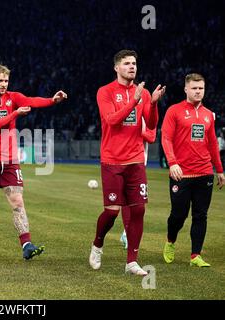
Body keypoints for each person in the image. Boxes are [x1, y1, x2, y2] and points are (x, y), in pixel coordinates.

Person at [0, 64, 67, 260]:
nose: (4, 84)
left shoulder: (12, 97)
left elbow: (32, 101)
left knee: (17, 201)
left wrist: (53, 100)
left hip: (10, 158)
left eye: (6, 80)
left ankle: (26, 244)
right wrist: (15, 114)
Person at [88, 49, 165, 276]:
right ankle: (97, 245)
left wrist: (154, 104)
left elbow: (150, 124)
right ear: (116, 68)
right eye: (127, 63)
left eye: (134, 63)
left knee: (139, 209)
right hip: (112, 160)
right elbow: (112, 120)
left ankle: (132, 261)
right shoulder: (105, 92)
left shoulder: (143, 92)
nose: (132, 67)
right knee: (112, 212)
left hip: (135, 160)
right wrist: (134, 101)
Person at [161, 73, 224, 267]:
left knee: (201, 215)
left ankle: (195, 255)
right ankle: (170, 241)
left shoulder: (208, 115)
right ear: (186, 89)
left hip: (204, 172)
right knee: (178, 215)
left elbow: (213, 144)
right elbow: (166, 138)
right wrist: (172, 162)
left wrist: (220, 170)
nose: (198, 91)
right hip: (181, 173)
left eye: (201, 88)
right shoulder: (174, 111)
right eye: (194, 88)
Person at [120, 119, 157, 249]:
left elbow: (152, 137)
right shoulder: (125, 109)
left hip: (139, 162)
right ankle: (126, 233)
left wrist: (138, 131)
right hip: (121, 161)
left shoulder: (147, 114)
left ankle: (128, 233)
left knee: (138, 204)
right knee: (125, 201)